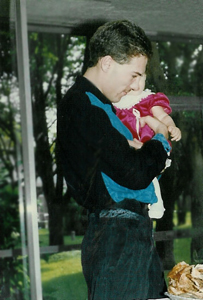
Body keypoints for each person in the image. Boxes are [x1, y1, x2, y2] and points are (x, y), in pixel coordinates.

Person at [57, 20, 171, 300]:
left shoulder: (99, 106)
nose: (137, 85)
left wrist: (142, 152)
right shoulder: (83, 104)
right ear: (107, 62)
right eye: (134, 75)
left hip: (126, 233)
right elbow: (134, 172)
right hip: (118, 235)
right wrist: (161, 138)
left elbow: (134, 167)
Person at [113, 74, 181, 219]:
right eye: (131, 79)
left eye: (140, 79)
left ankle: (156, 202)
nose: (136, 86)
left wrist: (171, 127)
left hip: (149, 146)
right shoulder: (115, 104)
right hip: (129, 149)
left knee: (149, 174)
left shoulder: (147, 99)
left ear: (145, 77)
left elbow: (163, 117)